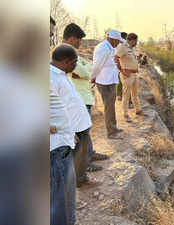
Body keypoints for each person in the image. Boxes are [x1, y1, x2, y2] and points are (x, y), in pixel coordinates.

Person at [62, 23, 109, 173]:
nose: (80, 43)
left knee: (85, 130)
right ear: (71, 38)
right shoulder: (63, 52)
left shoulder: (73, 53)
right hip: (77, 99)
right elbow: (83, 71)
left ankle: (89, 155)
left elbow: (88, 69)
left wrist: (84, 71)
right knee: (80, 133)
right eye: (79, 40)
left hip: (84, 97)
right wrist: (84, 71)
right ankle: (82, 166)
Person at [50, 44, 80, 225]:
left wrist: (71, 132)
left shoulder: (57, 75)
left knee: (62, 195)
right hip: (56, 147)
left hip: (63, 141)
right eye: (75, 62)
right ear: (66, 61)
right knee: (62, 199)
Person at [90, 29, 124, 139]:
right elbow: (97, 66)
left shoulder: (110, 48)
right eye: (118, 41)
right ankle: (111, 132)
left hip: (110, 80)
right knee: (108, 106)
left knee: (111, 105)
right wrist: (93, 77)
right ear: (112, 39)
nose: (118, 43)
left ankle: (113, 127)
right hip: (104, 82)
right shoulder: (103, 49)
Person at [114, 32, 143, 123]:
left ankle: (138, 110)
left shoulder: (132, 48)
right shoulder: (122, 47)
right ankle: (125, 114)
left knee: (135, 94)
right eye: (136, 41)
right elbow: (115, 58)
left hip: (134, 74)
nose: (136, 42)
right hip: (127, 75)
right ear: (132, 40)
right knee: (126, 95)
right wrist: (121, 71)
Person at [116, 32, 128, 101]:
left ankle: (119, 95)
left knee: (119, 81)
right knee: (123, 81)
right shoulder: (123, 43)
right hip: (123, 64)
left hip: (118, 64)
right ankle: (122, 96)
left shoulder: (117, 43)